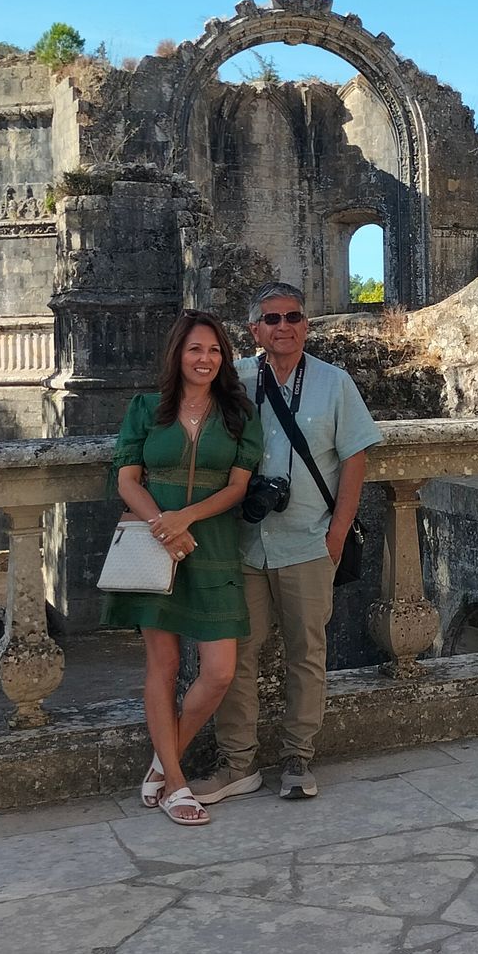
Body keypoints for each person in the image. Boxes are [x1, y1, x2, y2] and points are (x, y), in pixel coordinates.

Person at [194, 281, 382, 804]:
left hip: (307, 539)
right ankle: (237, 762)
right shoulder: (236, 382)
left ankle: (298, 757)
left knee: (307, 652)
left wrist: (339, 531)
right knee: (237, 653)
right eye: (271, 319)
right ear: (254, 329)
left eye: (294, 317)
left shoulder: (333, 382)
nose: (284, 327)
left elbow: (355, 458)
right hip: (244, 541)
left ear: (306, 324)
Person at [109, 309, 262, 825]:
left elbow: (238, 487)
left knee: (218, 671)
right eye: (196, 349)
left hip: (213, 544)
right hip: (156, 548)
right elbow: (127, 479)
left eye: (215, 350)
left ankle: (161, 760)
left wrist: (185, 519)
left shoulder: (239, 414)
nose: (206, 359)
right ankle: (176, 783)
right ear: (178, 353)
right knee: (164, 666)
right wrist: (162, 526)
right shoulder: (145, 409)